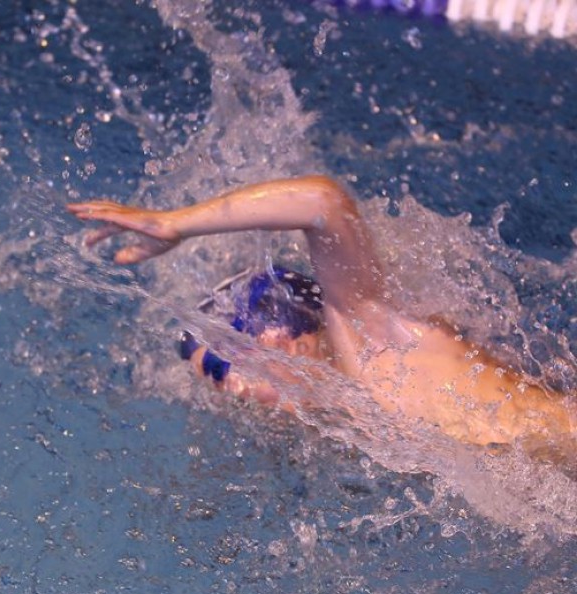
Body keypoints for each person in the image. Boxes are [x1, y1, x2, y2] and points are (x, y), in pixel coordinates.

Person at [68, 176, 574, 449]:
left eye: (227, 378)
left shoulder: (376, 349)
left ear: (280, 343)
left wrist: (176, 224)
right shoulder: (354, 398)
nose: (240, 400)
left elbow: (321, 202)